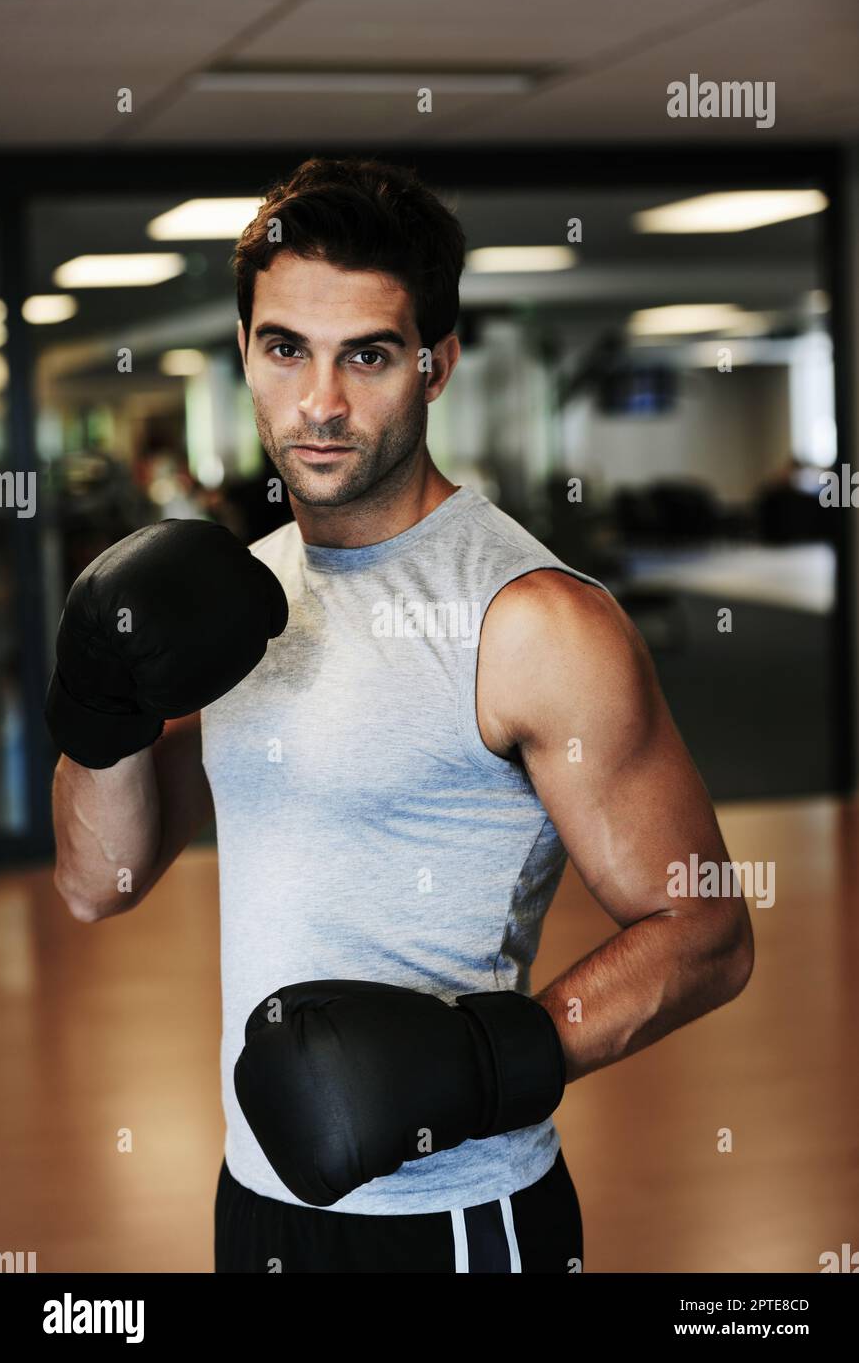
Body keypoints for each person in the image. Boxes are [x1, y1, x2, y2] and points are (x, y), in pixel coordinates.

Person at [48, 156, 754, 1274]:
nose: (319, 402)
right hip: (257, 1192)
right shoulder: (233, 599)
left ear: (436, 366)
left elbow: (708, 933)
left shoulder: (531, 623)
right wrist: (98, 705)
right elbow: (99, 884)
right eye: (285, 349)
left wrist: (479, 1062)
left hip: (458, 1218)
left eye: (366, 355)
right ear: (244, 353)